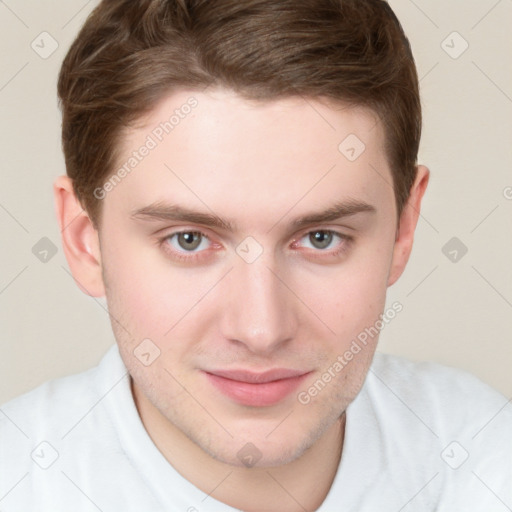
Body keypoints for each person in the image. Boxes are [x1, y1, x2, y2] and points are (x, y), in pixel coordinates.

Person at [1, 0, 510, 510]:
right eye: (189, 240)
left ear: (404, 227)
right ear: (84, 239)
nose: (261, 330)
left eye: (321, 238)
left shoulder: (481, 461)